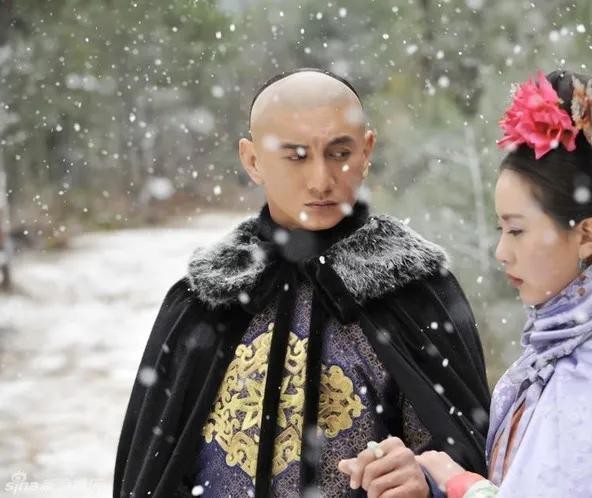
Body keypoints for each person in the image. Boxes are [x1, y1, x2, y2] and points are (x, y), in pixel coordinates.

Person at [340, 70, 592, 497]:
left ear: (587, 235)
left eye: (517, 230)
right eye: (501, 229)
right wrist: (429, 483)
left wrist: (460, 485)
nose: (501, 252)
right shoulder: (553, 361)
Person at [113, 68, 490, 498]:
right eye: (295, 156)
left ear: (367, 150)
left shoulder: (413, 292)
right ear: (252, 160)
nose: (321, 180)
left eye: (339, 152)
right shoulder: (207, 299)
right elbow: (153, 473)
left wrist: (425, 481)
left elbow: (470, 463)